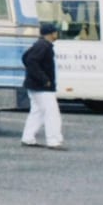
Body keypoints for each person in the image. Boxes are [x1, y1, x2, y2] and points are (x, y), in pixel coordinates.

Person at [20, 20, 64, 150]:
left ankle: (28, 138)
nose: (57, 34)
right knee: (52, 113)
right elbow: (31, 61)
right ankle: (53, 141)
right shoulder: (44, 46)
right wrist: (44, 79)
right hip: (42, 87)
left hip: (35, 85)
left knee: (37, 112)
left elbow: (25, 58)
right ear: (51, 34)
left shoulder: (39, 44)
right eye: (55, 32)